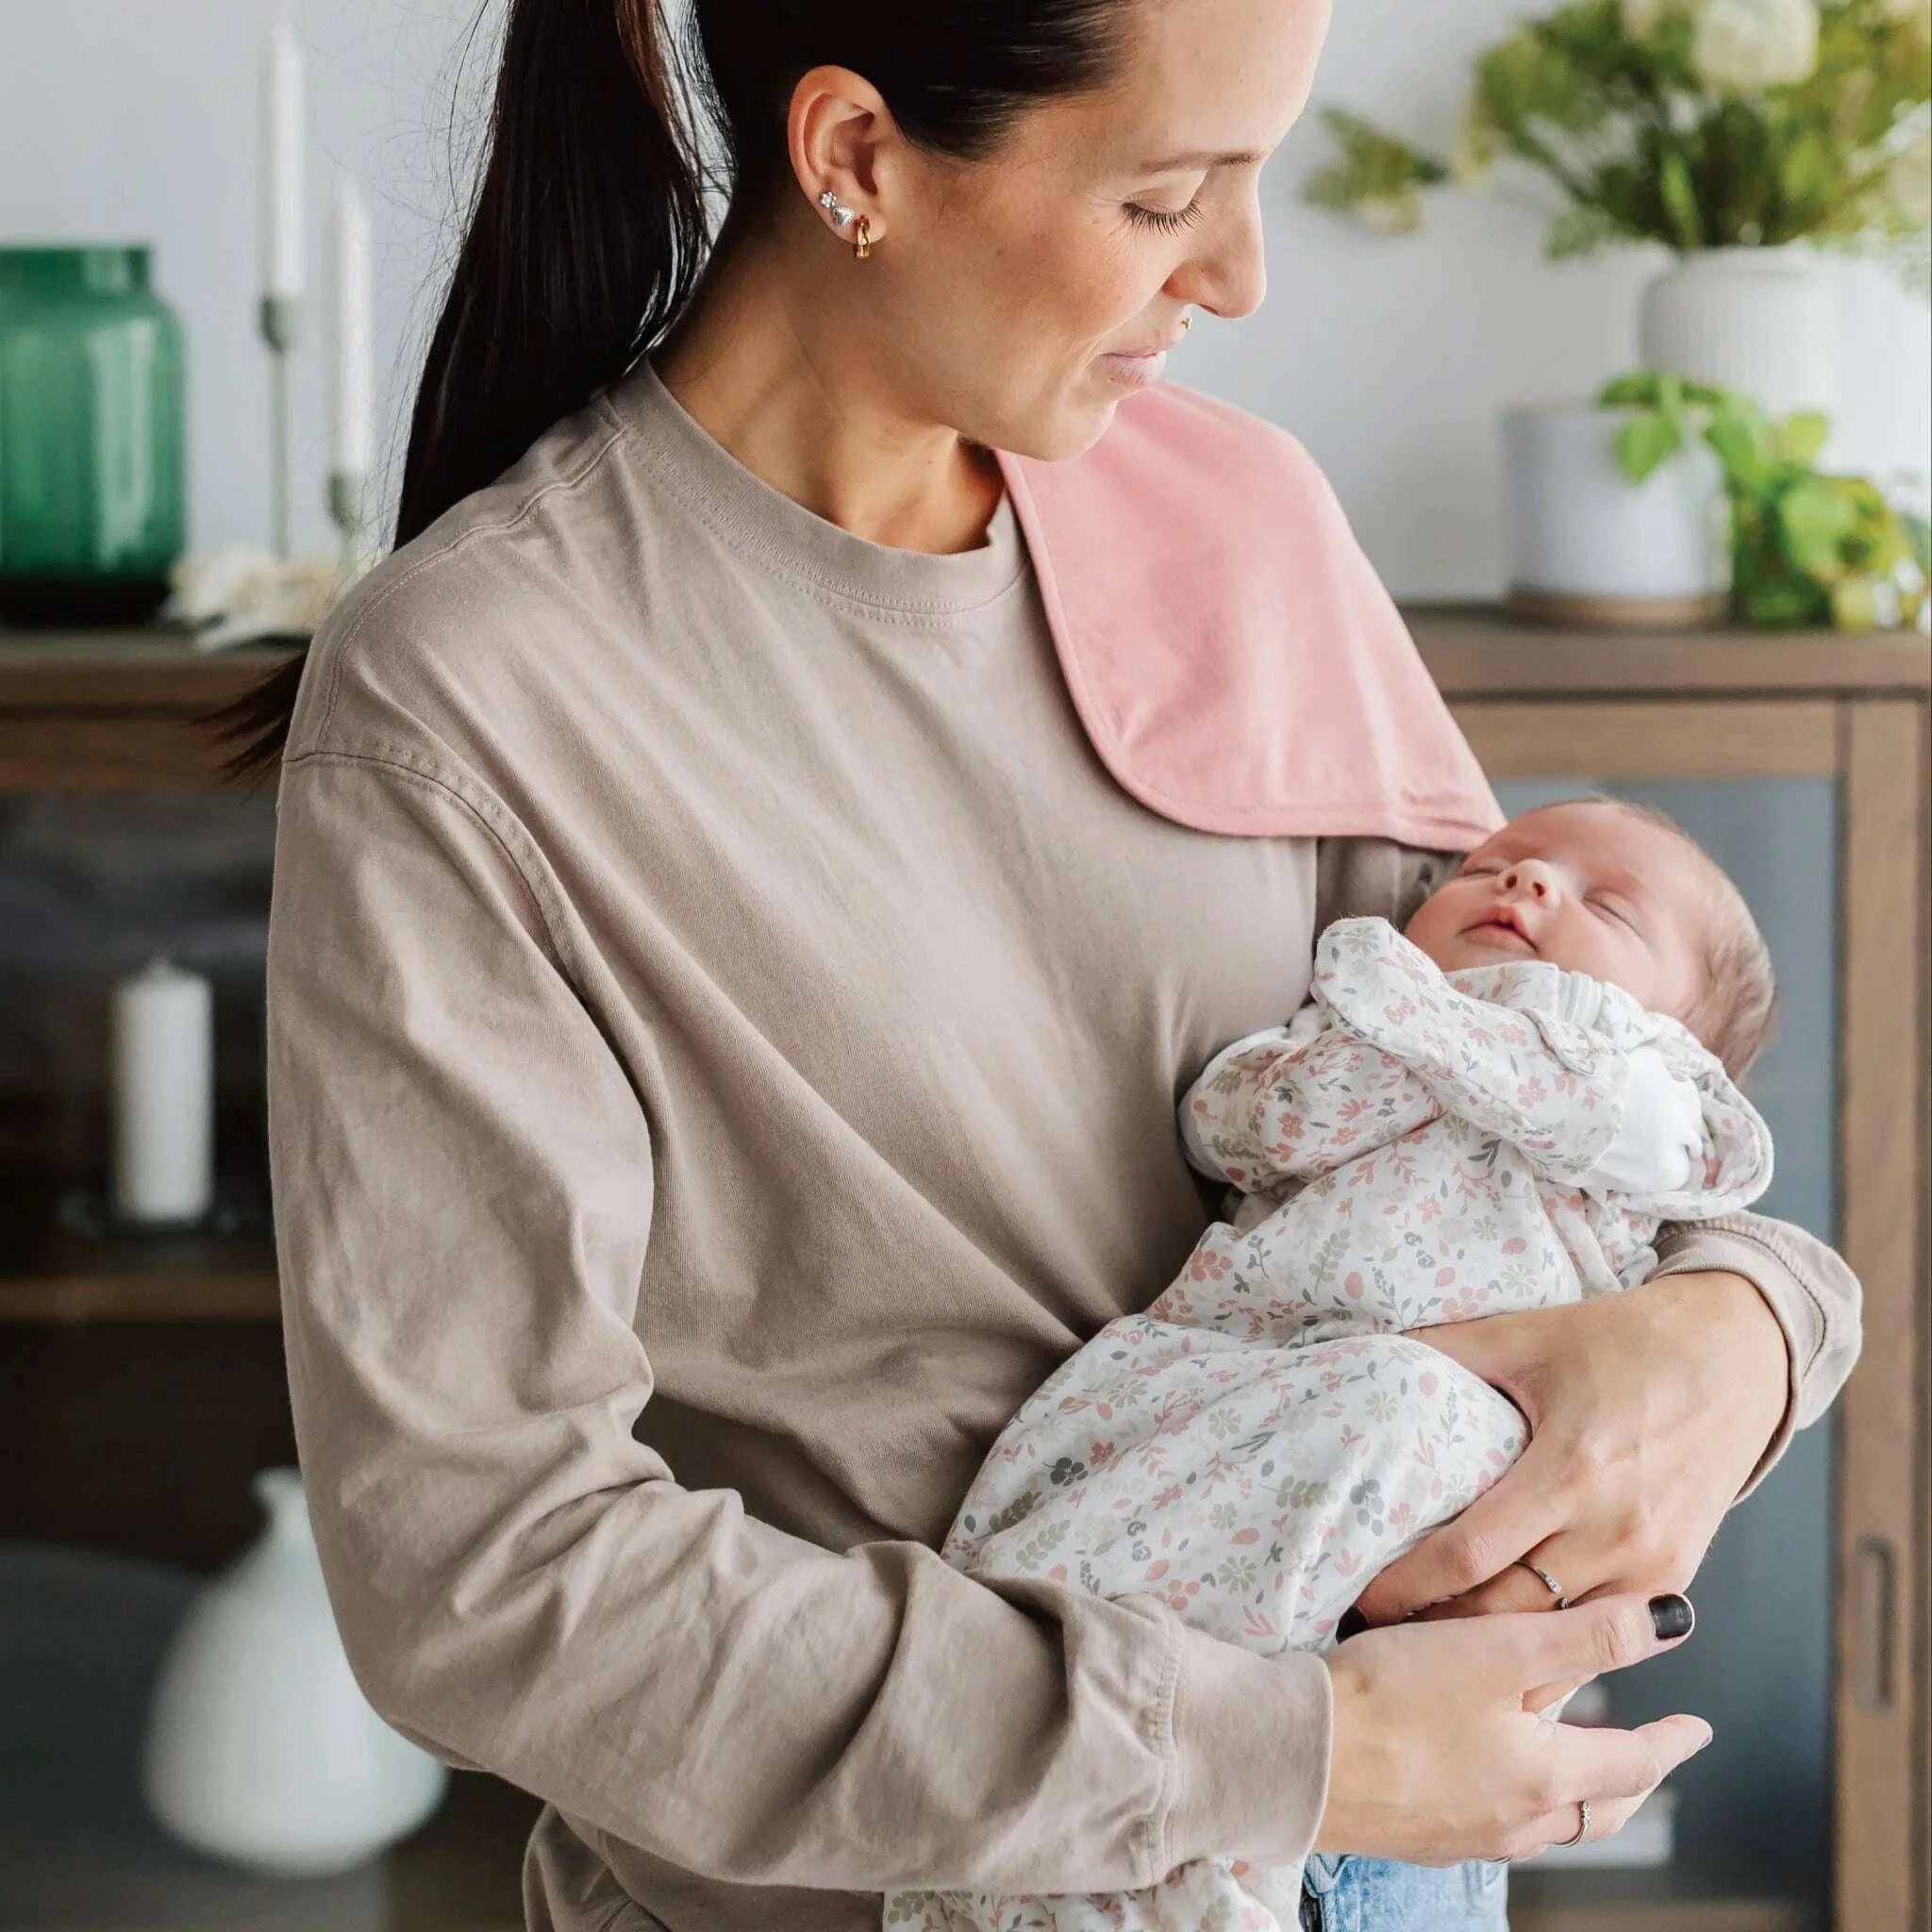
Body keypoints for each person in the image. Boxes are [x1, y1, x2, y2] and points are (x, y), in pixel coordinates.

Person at [218, 5, 1862, 1930]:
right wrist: (1284, 1750)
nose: (1238, 275)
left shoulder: (1235, 528)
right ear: (855, 157)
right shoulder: (479, 699)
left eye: (1256, 180)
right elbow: (486, 1579)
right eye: (1165, 197)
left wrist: (1747, 1324)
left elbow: (1555, 1082)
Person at [890, 797, 1778, 1932]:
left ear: (1687, 1037)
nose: (1525, 883)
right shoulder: (1349, 1029)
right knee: (1101, 1512)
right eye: (1496, 865)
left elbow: (1627, 1127)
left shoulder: (1641, 1088)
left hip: (1451, 1446)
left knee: (1391, 1420)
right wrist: (1392, 1023)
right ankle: (1040, 1770)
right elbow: (1240, 1124)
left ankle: (1180, 1836)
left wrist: (1433, 1013)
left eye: (1604, 904)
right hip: (1245, 1380)